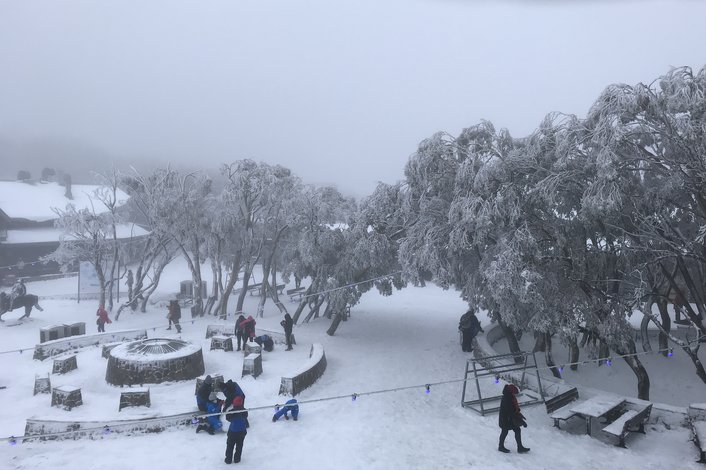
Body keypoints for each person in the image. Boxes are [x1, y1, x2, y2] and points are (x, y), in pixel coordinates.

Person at [498, 384, 530, 453]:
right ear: (511, 392)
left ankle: (520, 447)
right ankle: (501, 447)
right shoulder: (507, 398)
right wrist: (521, 421)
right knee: (505, 431)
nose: (514, 394)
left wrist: (519, 416)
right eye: (514, 393)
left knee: (517, 430)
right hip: (505, 419)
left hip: (508, 418)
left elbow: (514, 409)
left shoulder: (510, 396)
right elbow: (511, 412)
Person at [224, 396, 248, 464]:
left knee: (230, 446)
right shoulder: (244, 411)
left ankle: (228, 459)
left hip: (233, 432)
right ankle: (237, 459)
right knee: (239, 446)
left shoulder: (232, 412)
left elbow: (228, 418)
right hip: (242, 432)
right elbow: (245, 416)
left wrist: (230, 412)